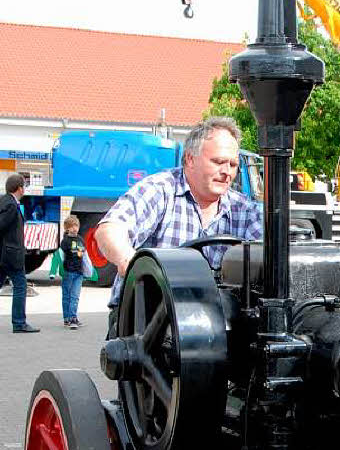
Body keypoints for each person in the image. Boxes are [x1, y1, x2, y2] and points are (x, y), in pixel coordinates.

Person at [96, 117, 263, 337]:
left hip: (216, 320)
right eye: (218, 162)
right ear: (190, 159)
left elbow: (267, 250)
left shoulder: (245, 209)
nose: (227, 172)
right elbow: (110, 229)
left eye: (232, 164)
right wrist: (127, 260)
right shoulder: (159, 190)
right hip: (148, 318)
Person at [0, 173, 39, 334]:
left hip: (5, 254)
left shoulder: (6, 201)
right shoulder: (10, 205)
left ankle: (19, 322)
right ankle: (19, 323)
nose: (25, 190)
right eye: (24, 186)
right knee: (20, 286)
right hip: (10, 255)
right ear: (19, 188)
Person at [60, 215, 86, 329]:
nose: (74, 228)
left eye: (76, 225)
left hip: (79, 271)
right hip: (68, 271)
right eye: (71, 226)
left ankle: (73, 317)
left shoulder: (80, 239)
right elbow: (64, 254)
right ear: (67, 228)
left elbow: (83, 254)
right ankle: (67, 318)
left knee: (75, 296)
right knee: (67, 295)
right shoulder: (65, 241)